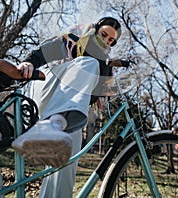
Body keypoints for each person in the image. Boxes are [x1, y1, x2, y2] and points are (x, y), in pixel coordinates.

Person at [11, 16, 123, 198]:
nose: (106, 42)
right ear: (95, 29)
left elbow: (98, 92)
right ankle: (49, 124)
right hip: (46, 87)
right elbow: (47, 50)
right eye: (104, 35)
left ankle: (55, 127)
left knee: (68, 157)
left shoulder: (103, 64)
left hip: (67, 110)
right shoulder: (78, 38)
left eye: (111, 40)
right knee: (89, 63)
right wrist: (29, 62)